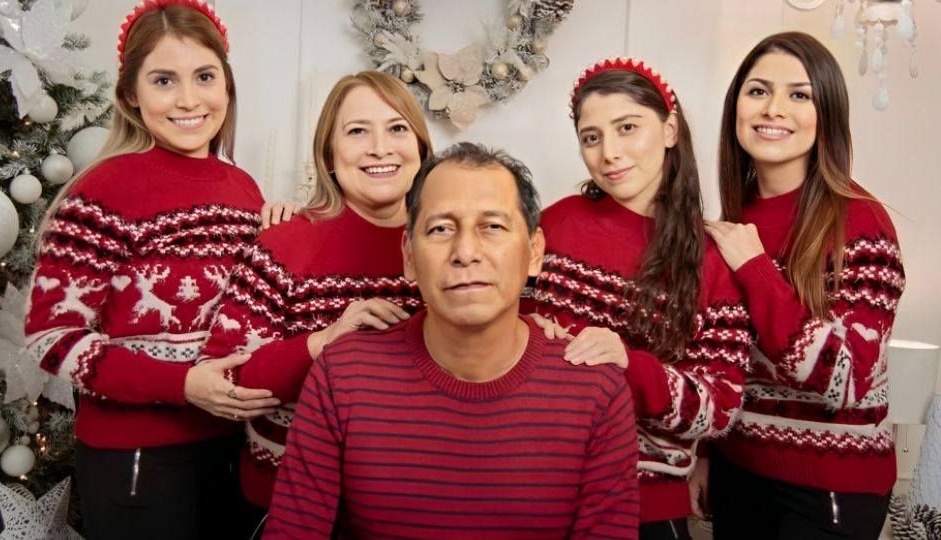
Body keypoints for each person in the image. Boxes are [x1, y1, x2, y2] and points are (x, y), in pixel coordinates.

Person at [263, 142, 641, 539]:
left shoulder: (595, 391)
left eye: (492, 226)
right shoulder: (342, 376)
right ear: (409, 254)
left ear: (534, 252)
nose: (465, 252)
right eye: (441, 229)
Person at [24, 1, 280, 538]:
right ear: (131, 96)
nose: (189, 99)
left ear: (226, 86)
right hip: (139, 458)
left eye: (204, 76)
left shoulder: (243, 188)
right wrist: (181, 383)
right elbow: (52, 336)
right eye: (164, 80)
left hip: (233, 449)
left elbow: (255, 308)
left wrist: (286, 234)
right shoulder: (105, 189)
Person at [525, 57, 753, 539]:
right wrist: (526, 332)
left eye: (627, 128)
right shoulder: (557, 223)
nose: (610, 152)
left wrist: (628, 364)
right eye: (592, 137)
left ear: (670, 130)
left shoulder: (711, 258)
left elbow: (720, 405)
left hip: (645, 508)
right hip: (533, 492)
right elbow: (491, 332)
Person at [697, 32, 905, 540]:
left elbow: (848, 381)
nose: (774, 110)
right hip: (737, 471)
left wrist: (756, 270)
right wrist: (703, 454)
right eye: (758, 90)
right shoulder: (735, 221)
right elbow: (717, 357)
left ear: (826, 113)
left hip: (828, 488)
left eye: (799, 94)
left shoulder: (861, 222)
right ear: (736, 106)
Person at [196, 71, 430, 515]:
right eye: (357, 131)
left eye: (397, 128)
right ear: (328, 152)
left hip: (415, 507)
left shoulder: (449, 243)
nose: (380, 147)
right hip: (291, 505)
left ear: (420, 146)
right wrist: (321, 342)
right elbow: (224, 380)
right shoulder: (286, 244)